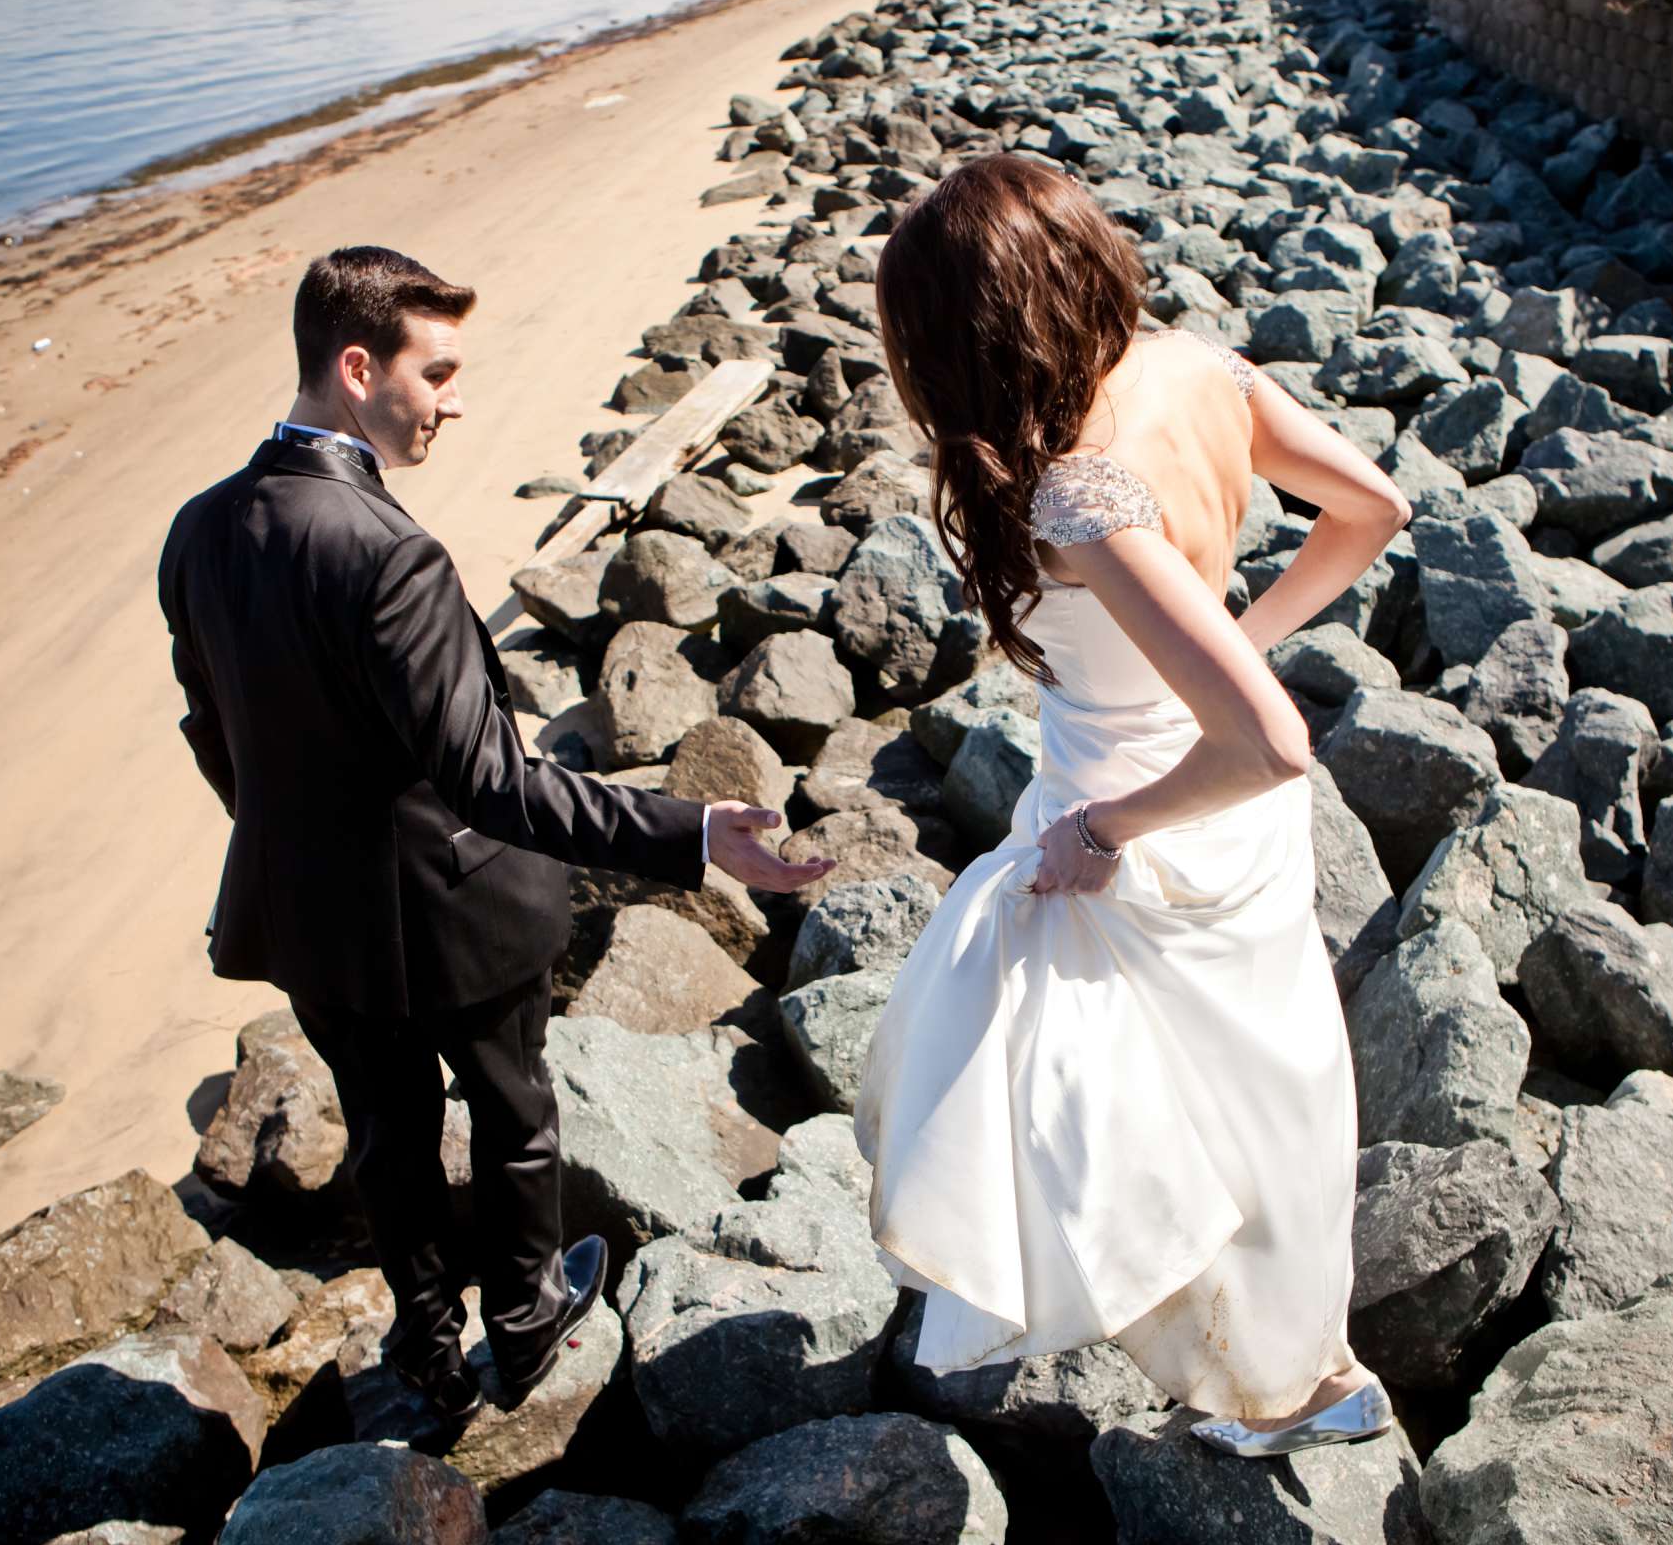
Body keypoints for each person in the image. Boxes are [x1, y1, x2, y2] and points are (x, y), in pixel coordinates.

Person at [157, 245, 832, 1423]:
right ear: (358, 367)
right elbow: (494, 784)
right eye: (440, 371)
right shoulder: (390, 554)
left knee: (386, 1138)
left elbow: (213, 734)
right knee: (516, 1115)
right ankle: (524, 1324)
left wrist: (290, 838)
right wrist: (696, 832)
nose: (455, 400)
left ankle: (424, 1350)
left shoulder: (200, 529)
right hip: (458, 910)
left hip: (308, 911)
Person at [852, 154, 1412, 1457]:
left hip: (1148, 814)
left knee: (1060, 1080)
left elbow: (1271, 743)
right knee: (1253, 1082)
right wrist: (1244, 637)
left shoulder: (1071, 490)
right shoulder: (1196, 367)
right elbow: (1373, 506)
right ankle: (1293, 1356)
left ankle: (1289, 1377)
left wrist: (1100, 833)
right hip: (1218, 812)